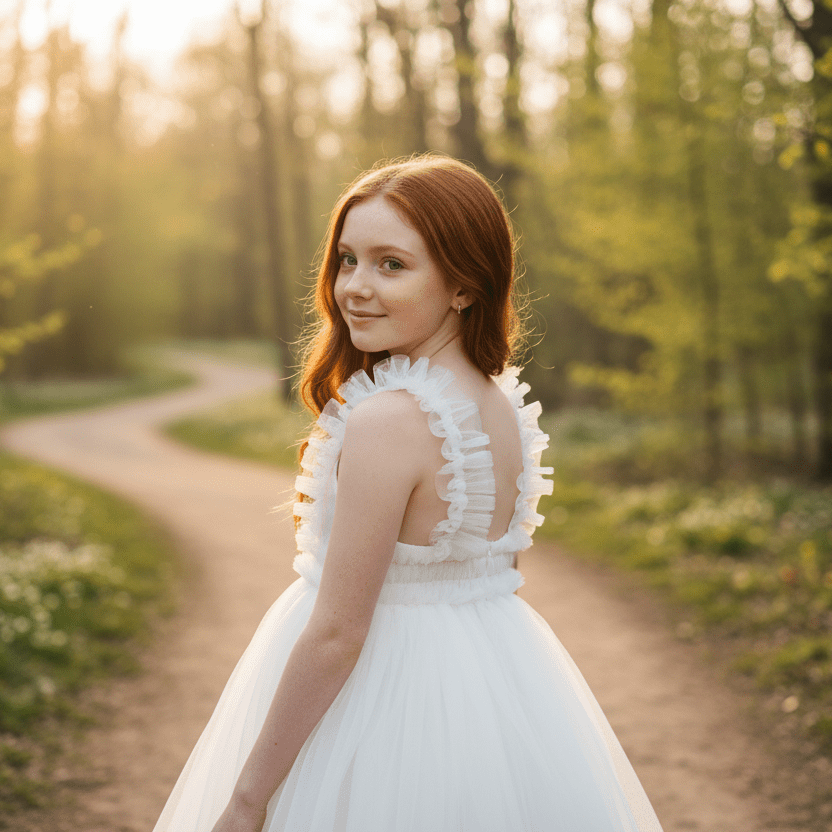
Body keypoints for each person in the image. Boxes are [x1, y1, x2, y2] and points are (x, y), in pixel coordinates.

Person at [153, 155, 664, 832]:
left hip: (383, 703)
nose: (354, 288)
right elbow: (492, 572)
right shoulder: (500, 405)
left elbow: (337, 633)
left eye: (391, 265)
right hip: (490, 694)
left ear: (463, 286)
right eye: (347, 260)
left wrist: (248, 802)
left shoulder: (389, 421)